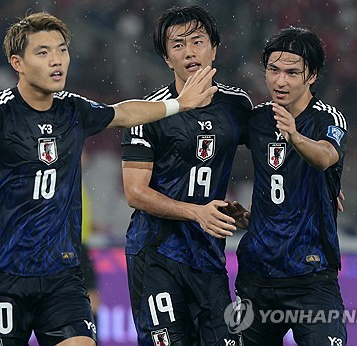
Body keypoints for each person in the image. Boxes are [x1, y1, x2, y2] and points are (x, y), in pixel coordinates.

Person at [0, 12, 218, 346]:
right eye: (43, 52)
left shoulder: (73, 110)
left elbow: (123, 113)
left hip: (62, 276)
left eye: (62, 50)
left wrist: (178, 105)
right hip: (3, 275)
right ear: (17, 63)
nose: (57, 61)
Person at [121, 6, 251, 345]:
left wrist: (323, 184)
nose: (189, 52)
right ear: (167, 58)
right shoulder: (149, 112)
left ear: (215, 48)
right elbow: (135, 193)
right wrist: (197, 211)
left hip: (207, 255)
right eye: (178, 45)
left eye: (197, 41)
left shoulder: (237, 106)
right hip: (157, 253)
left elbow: (274, 155)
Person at [234, 27, 348, 345]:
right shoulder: (257, 120)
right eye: (274, 70)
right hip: (257, 276)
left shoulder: (328, 119)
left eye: (292, 72)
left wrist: (296, 137)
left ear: (312, 75)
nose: (280, 81)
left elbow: (326, 156)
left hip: (311, 278)